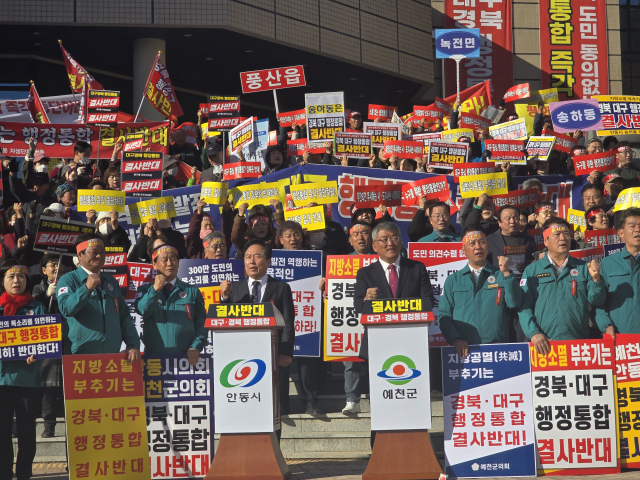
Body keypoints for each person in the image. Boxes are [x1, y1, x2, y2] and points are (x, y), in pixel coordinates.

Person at [219, 240, 295, 414]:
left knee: (276, 407)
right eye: (247, 257)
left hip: (273, 355)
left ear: (268, 261)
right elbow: (225, 319)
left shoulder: (281, 288)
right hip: (241, 358)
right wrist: (224, 297)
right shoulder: (235, 288)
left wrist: (285, 352)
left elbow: (288, 323)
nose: (251, 261)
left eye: (257, 256)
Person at [518, 218, 606, 354]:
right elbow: (524, 306)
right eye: (557, 234)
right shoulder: (532, 270)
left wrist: (596, 280)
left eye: (566, 234)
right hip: (544, 345)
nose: (563, 238)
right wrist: (534, 333)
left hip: (577, 344)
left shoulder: (583, 267)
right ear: (545, 240)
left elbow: (597, 301)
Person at [353, 222, 435, 356]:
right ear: (374, 246)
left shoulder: (417, 268)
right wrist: (366, 300)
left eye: (394, 238)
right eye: (384, 239)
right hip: (378, 339)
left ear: (401, 242)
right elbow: (357, 305)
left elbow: (428, 301)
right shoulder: (365, 273)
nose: (390, 243)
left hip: (411, 338)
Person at [439, 228, 524, 357]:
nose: (478, 247)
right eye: (472, 244)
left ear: (487, 246)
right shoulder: (453, 280)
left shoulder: (501, 275)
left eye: (482, 242)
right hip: (464, 350)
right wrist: (455, 339)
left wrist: (507, 274)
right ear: (463, 250)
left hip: (497, 348)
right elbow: (444, 316)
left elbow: (514, 303)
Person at [57, 234, 141, 359]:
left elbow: (124, 316)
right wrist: (86, 289)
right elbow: (65, 309)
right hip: (80, 357)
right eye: (94, 252)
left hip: (111, 356)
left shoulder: (111, 281)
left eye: (102, 252)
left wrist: (133, 344)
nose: (99, 256)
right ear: (80, 255)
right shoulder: (68, 280)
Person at [0, 261, 47, 480]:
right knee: (2, 435)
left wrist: (37, 352)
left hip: (28, 381)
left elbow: (47, 341)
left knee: (27, 436)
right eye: (11, 277)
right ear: (3, 281)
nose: (16, 281)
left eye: (21, 277)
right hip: (1, 381)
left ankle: (24, 476)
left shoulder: (37, 308)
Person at [277, 221, 323, 415]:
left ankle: (311, 402)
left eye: (296, 234)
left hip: (307, 319)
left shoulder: (314, 258)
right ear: (280, 240)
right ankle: (282, 406)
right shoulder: (272, 260)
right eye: (288, 235)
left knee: (307, 360)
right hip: (282, 320)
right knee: (282, 363)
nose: (293, 239)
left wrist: (323, 284)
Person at [135, 245, 207, 360]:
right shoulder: (144, 290)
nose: (169, 263)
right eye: (164, 259)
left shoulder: (192, 291)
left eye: (173, 259)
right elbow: (142, 309)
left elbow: (202, 323)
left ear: (178, 263)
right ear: (154, 264)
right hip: (154, 359)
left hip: (186, 359)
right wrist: (155, 290)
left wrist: (195, 347)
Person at [32, 253, 63, 438]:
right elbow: (35, 309)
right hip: (48, 342)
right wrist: (46, 295)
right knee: (50, 385)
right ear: (44, 270)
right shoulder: (38, 287)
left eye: (59, 265)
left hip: (66, 339)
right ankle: (49, 424)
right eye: (52, 265)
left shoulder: (68, 284)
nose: (57, 268)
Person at [595, 208, 640, 335]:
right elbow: (599, 302)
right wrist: (606, 325)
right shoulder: (608, 263)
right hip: (620, 339)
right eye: (632, 226)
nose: (637, 229)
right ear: (621, 233)